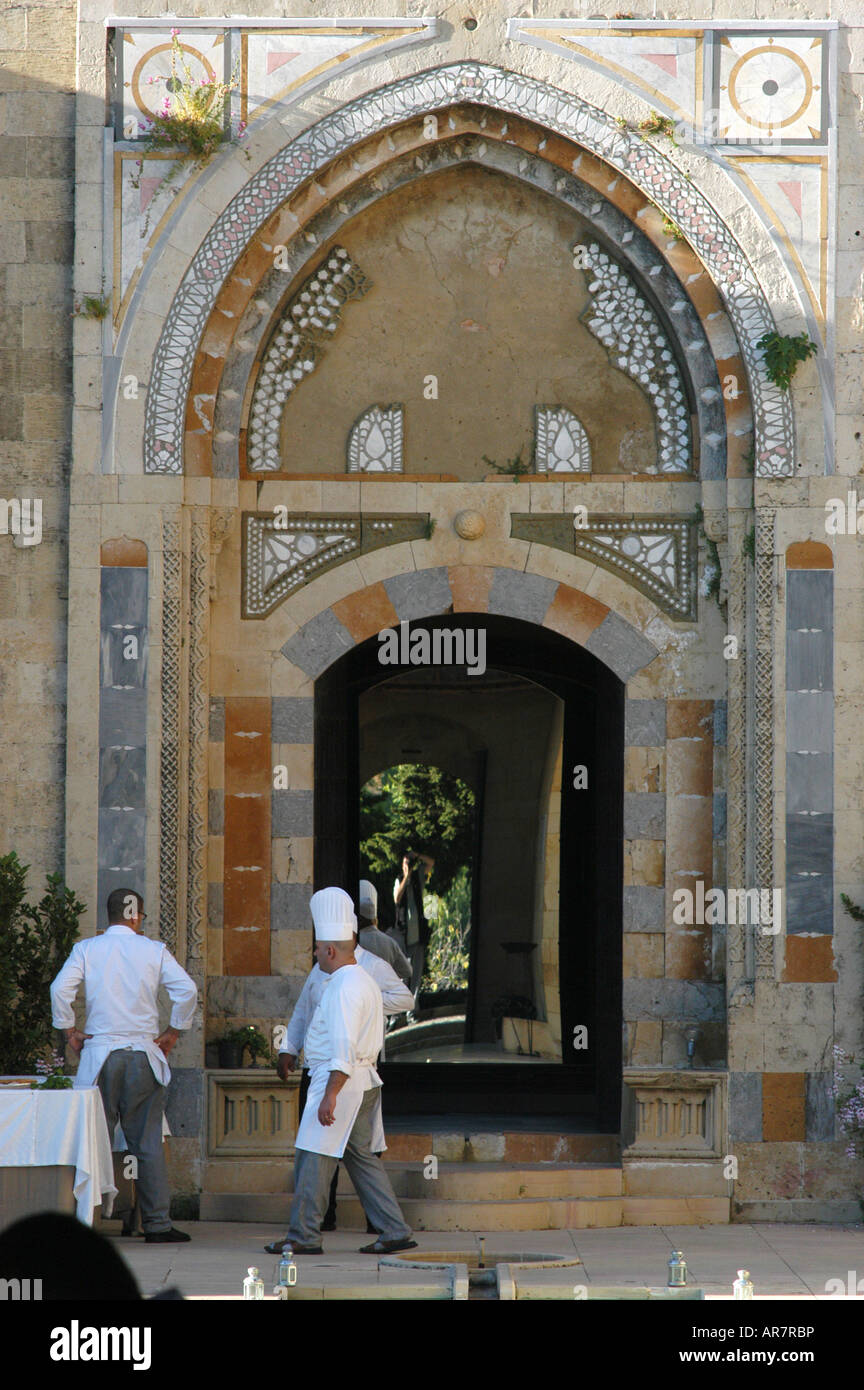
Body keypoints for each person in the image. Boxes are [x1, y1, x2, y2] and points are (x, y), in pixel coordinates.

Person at [265, 886, 416, 1257]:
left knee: (312, 1155)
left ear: (330, 950)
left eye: (318, 948)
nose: (315, 953)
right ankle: (394, 1230)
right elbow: (306, 1014)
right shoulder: (349, 977)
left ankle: (303, 1235)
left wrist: (331, 1093)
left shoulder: (347, 985)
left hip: (340, 1081)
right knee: (360, 1158)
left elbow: (344, 1047)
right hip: (357, 1081)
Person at [49, 888, 198, 1244]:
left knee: (91, 1142)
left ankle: (86, 1221)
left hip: (101, 1056)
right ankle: (158, 1224)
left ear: (110, 915)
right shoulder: (153, 950)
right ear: (137, 916)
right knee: (146, 1142)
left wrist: (69, 1029)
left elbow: (59, 989)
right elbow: (187, 990)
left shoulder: (87, 949)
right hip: (142, 1054)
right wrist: (174, 1031)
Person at [393, 849, 435, 995]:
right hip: (404, 935)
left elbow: (431, 862)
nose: (408, 865)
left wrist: (417, 855)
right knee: (403, 976)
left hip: (418, 935)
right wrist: (406, 876)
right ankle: (400, 1010)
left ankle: (413, 1010)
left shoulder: (419, 877)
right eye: (405, 863)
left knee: (416, 975)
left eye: (409, 863)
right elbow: (397, 898)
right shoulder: (399, 879)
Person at [357, 879, 412, 984]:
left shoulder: (356, 942)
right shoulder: (389, 942)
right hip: (384, 994)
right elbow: (407, 971)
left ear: (360, 918)